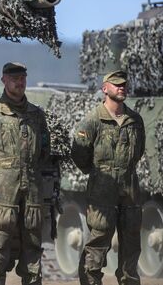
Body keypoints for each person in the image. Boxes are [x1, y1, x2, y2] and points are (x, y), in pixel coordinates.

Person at [0, 62, 50, 285]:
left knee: (33, 247)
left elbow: (44, 149)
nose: (20, 82)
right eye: (15, 79)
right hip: (3, 191)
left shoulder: (36, 115)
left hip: (31, 191)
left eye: (23, 78)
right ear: (4, 80)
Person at [72, 70, 145, 285]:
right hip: (101, 193)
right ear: (105, 89)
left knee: (131, 247)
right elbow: (79, 153)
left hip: (129, 192)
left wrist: (122, 170)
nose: (121, 87)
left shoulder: (135, 120)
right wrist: (98, 174)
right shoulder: (93, 120)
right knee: (97, 244)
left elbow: (138, 151)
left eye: (124, 84)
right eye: (116, 84)